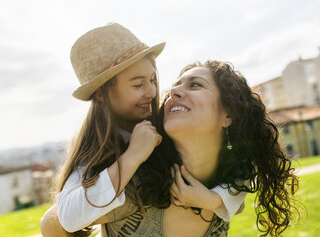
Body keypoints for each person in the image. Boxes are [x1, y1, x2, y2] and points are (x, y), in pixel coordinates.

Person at [40, 23, 247, 236]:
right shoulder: (96, 150)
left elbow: (240, 170)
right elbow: (65, 217)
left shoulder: (169, 126)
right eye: (138, 85)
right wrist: (133, 156)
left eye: (152, 80)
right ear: (101, 93)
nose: (151, 92)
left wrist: (213, 200)